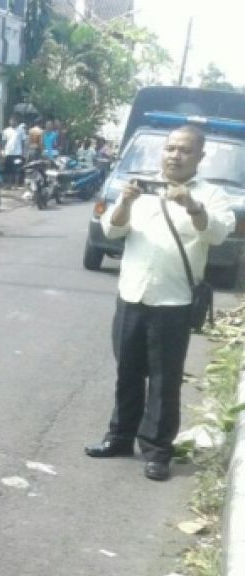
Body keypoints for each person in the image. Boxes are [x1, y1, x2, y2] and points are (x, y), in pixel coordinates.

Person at [84, 125, 236, 481]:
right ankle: (119, 438)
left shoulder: (211, 195)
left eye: (184, 150)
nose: (175, 155)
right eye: (170, 149)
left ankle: (157, 451)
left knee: (166, 381)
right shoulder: (139, 188)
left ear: (200, 157)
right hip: (132, 296)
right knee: (127, 372)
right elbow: (111, 231)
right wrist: (125, 201)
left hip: (174, 302)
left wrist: (192, 205)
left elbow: (216, 233)